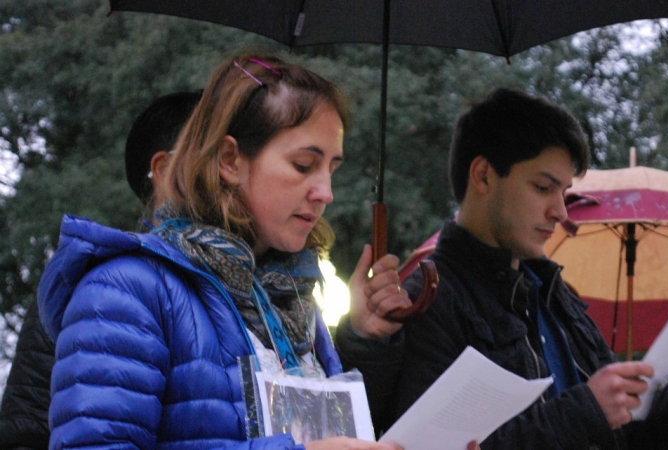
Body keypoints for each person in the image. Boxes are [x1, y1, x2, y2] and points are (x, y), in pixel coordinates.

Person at [335, 88, 668, 450]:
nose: (560, 211)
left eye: (564, 191)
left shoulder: (554, 294)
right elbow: (428, 446)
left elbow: (647, 439)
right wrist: (583, 412)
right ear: (483, 176)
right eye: (543, 187)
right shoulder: (427, 299)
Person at [37, 53, 411, 449]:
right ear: (230, 160)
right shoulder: (124, 291)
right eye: (304, 165)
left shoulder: (292, 299)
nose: (326, 194)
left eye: (332, 169)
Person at [0, 90, 202, 450]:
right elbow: (25, 431)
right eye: (220, 154)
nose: (235, 171)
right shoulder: (100, 286)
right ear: (164, 169)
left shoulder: (251, 290)